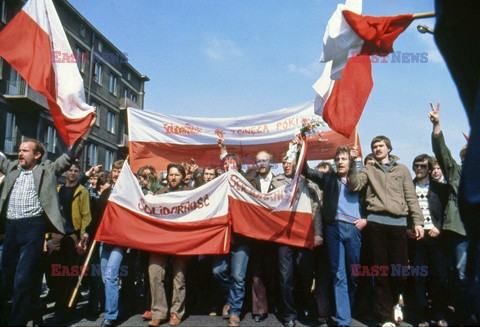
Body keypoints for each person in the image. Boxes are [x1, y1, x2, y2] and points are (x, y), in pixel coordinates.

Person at [0, 114, 96, 326]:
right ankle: (29, 313)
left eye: (25, 150)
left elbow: (70, 155)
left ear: (37, 155)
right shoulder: (11, 168)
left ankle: (17, 322)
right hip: (11, 228)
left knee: (23, 279)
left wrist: (86, 132)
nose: (20, 153)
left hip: (32, 228)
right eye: (19, 150)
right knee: (5, 279)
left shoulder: (48, 170)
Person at [347, 135, 424, 327]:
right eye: (374, 146)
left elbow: (411, 197)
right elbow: (355, 185)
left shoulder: (403, 169)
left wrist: (418, 222)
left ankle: (393, 302)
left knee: (400, 273)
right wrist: (354, 163)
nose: (377, 148)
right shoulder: (368, 169)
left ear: (389, 148)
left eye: (381, 145)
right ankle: (386, 317)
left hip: (399, 224)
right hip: (376, 225)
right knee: (380, 273)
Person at [297, 136, 365, 327]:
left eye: (344, 159)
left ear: (350, 161)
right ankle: (344, 320)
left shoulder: (359, 178)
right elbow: (306, 170)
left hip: (353, 229)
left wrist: (365, 219)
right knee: (339, 274)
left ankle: (347, 307)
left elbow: (369, 200)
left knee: (353, 273)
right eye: (338, 159)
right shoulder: (328, 178)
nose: (340, 162)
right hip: (333, 228)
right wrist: (302, 147)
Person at [429, 103, 473, 324]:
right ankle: (462, 317)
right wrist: (437, 125)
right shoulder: (457, 172)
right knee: (461, 275)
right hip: (461, 231)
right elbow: (442, 153)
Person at [273, 151, 322, 327]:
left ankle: (303, 306)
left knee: (305, 273)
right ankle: (289, 314)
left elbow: (315, 210)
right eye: (284, 162)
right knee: (285, 276)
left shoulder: (308, 183)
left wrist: (318, 233)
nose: (286, 165)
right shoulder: (276, 182)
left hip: (304, 235)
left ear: (297, 164)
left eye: (290, 162)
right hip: (284, 236)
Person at [148, 163, 191, 327]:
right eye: (171, 174)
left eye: (176, 175)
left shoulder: (190, 193)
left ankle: (176, 312)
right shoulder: (159, 193)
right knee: (155, 274)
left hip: (181, 241)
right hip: (160, 240)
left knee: (179, 278)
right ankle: (158, 312)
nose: (173, 178)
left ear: (182, 177)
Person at [47, 162, 92, 319]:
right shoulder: (58, 190)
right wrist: (46, 236)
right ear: (65, 172)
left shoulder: (82, 191)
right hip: (57, 234)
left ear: (79, 173)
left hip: (73, 235)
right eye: (70, 170)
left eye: (76, 171)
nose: (72, 173)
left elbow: (86, 215)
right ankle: (58, 298)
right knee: (53, 271)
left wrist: (83, 236)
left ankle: (66, 307)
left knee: (69, 272)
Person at [410, 154, 448, 326]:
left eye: (423, 166)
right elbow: (403, 209)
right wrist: (406, 228)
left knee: (438, 276)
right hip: (417, 237)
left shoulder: (440, 188)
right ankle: (423, 316)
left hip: (435, 237)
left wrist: (438, 227)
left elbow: (448, 210)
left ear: (429, 169)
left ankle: (439, 314)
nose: (419, 169)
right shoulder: (408, 187)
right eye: (416, 165)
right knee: (419, 277)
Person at [99, 159, 125, 327]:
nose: (116, 173)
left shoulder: (128, 192)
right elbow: (98, 215)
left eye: (120, 170)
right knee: (105, 277)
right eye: (115, 170)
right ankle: (116, 305)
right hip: (104, 238)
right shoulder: (106, 191)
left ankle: (111, 315)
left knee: (110, 275)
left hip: (120, 239)